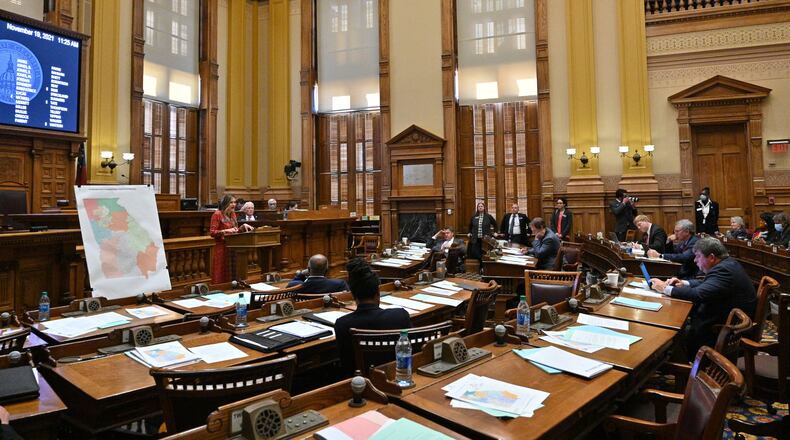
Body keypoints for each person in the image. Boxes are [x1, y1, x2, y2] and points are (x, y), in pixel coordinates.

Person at [650, 237, 756, 361]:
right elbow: (707, 283)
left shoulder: (723, 270)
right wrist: (684, 283)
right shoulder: (728, 264)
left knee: (667, 334)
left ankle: (682, 369)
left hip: (716, 331)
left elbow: (698, 294)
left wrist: (665, 288)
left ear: (711, 257)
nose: (695, 260)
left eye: (698, 256)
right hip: (721, 321)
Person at [334, 258, 411, 374]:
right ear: (378, 293)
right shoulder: (401, 315)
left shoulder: (342, 324)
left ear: (354, 296)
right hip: (397, 375)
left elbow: (345, 363)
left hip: (362, 383)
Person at [209, 195, 253, 283]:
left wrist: (243, 226)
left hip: (233, 246)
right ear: (225, 203)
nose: (234, 204)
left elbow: (235, 230)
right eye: (231, 202)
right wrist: (226, 230)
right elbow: (212, 232)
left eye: (235, 202)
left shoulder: (233, 214)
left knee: (233, 273)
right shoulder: (217, 214)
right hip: (221, 247)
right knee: (221, 272)